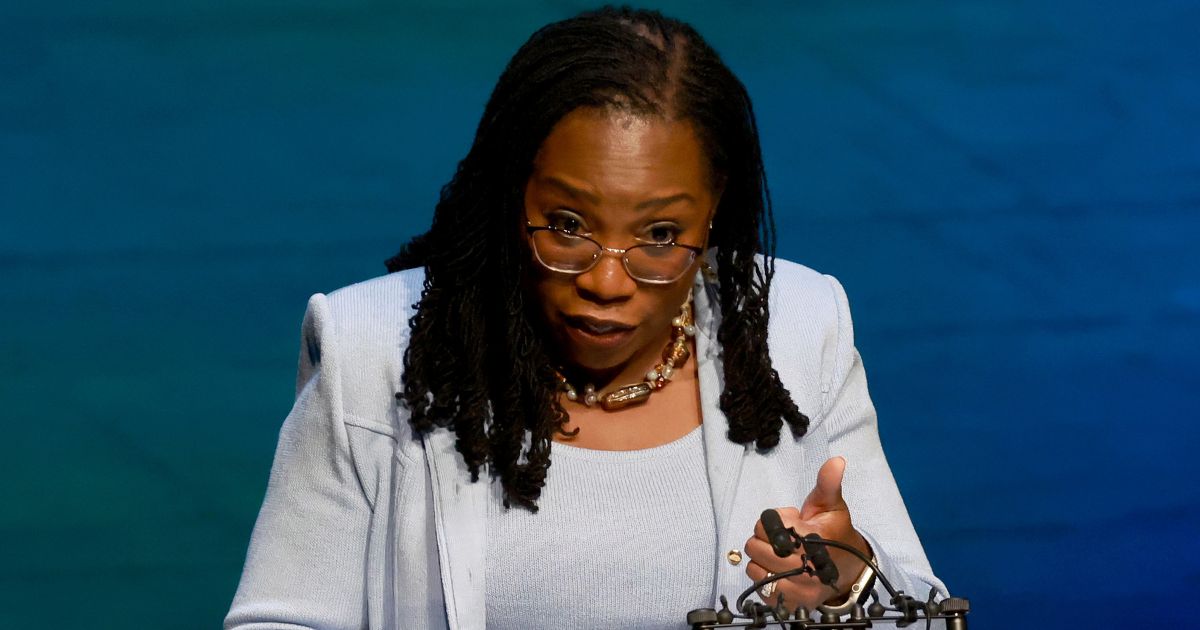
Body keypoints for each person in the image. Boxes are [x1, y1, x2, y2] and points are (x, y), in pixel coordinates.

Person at [225, 7, 946, 630]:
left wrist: (848, 590)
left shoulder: (798, 331)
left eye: (661, 236)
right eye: (568, 224)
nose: (606, 280)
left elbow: (924, 611)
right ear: (514, 194)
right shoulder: (373, 350)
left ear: (716, 206)